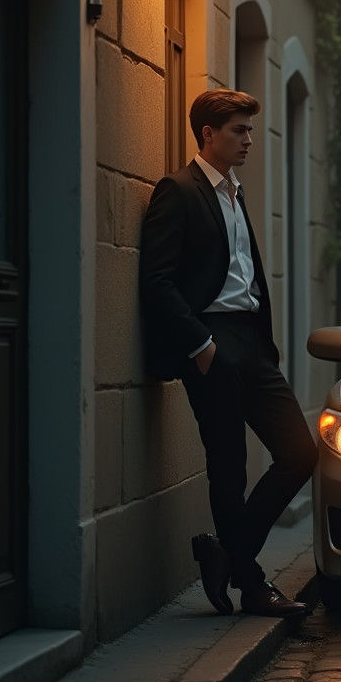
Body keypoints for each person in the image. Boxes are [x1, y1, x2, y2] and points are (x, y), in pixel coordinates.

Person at [139, 88, 316, 617]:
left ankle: (226, 554)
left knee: (300, 454)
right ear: (207, 134)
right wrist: (201, 344)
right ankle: (252, 583)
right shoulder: (178, 189)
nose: (249, 139)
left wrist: (262, 343)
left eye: (250, 129)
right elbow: (157, 279)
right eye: (238, 130)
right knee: (229, 466)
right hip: (212, 341)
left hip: (251, 344)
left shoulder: (233, 191)